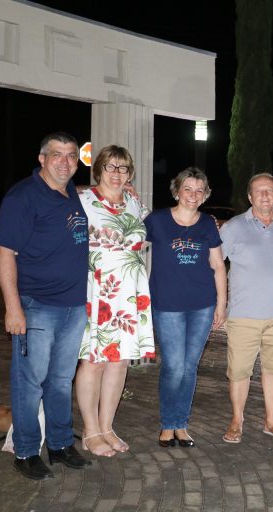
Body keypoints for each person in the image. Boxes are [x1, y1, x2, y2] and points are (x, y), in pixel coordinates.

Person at [0, 132, 90, 480]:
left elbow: (83, 192)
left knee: (61, 381)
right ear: (42, 159)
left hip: (73, 305)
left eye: (71, 155)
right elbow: (3, 251)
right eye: (56, 155)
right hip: (36, 306)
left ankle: (60, 445)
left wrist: (122, 189)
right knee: (30, 383)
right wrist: (13, 308)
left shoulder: (69, 192)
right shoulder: (22, 197)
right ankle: (26, 451)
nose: (65, 162)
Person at [75, 145, 155, 457]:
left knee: (119, 361)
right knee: (93, 361)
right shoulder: (83, 200)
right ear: (98, 170)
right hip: (97, 290)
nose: (116, 173)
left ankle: (107, 427)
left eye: (123, 168)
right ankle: (90, 430)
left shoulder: (134, 202)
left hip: (129, 291)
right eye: (110, 166)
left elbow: (155, 228)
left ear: (130, 173)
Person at [144, 168, 227, 448]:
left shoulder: (207, 224)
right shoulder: (157, 220)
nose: (193, 195)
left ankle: (181, 424)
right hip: (167, 305)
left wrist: (221, 304)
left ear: (205, 195)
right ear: (176, 191)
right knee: (174, 366)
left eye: (199, 190)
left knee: (190, 367)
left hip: (202, 305)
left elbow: (218, 266)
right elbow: (131, 247)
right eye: (187, 189)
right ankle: (168, 424)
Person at [219, 173, 273, 443]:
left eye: (270, 190)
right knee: (239, 371)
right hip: (243, 314)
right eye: (259, 191)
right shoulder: (233, 227)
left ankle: (271, 420)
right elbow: (216, 265)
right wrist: (219, 304)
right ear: (250, 197)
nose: (265, 195)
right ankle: (236, 420)